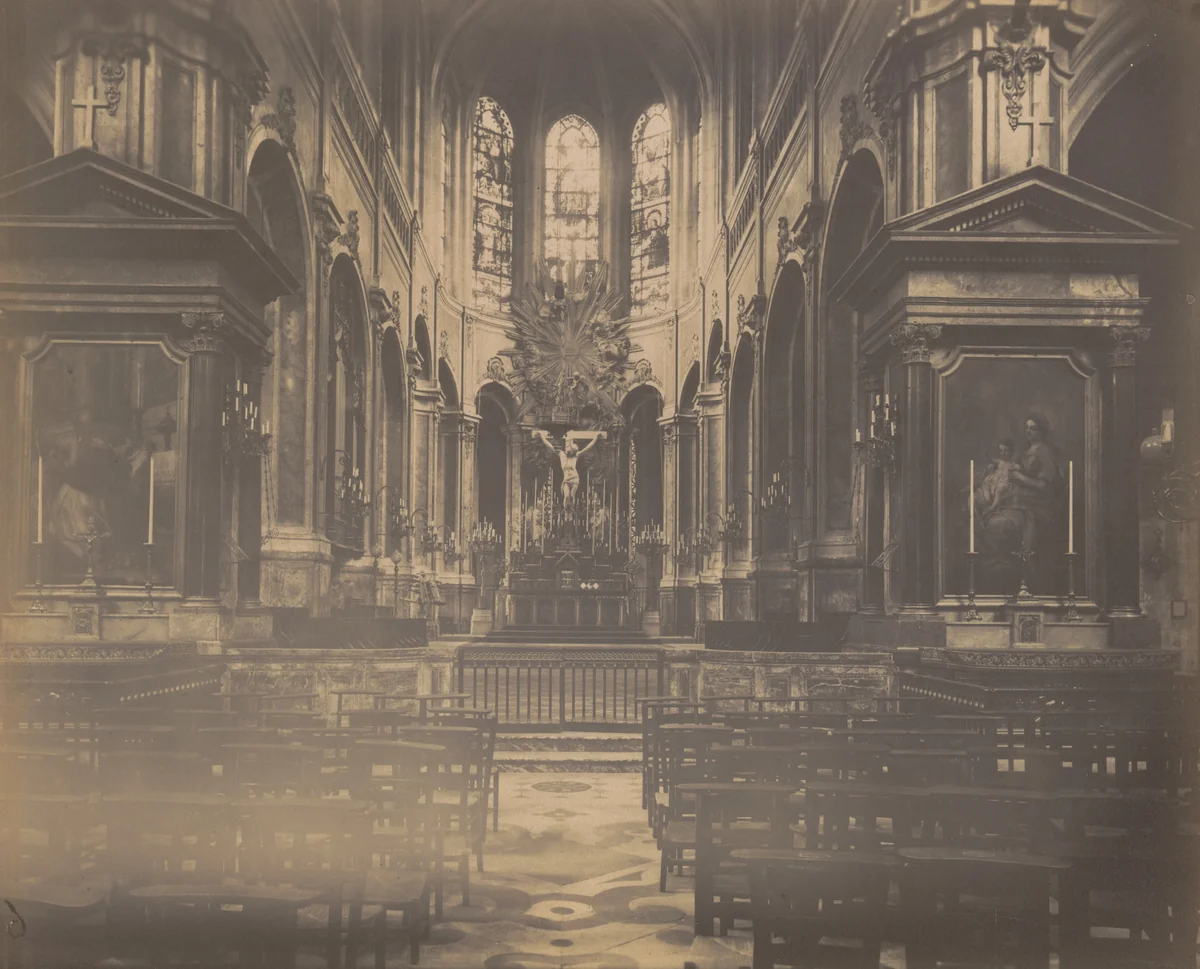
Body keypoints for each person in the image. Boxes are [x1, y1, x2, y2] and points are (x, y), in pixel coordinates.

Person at [533, 429, 602, 504]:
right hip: (566, 479)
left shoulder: (576, 456)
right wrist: (542, 436)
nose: (567, 449)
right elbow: (550, 447)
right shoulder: (561, 455)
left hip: (574, 479)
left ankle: (571, 509)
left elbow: (587, 448)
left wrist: (596, 438)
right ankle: (566, 510)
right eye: (566, 447)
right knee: (566, 497)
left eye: (569, 447)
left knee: (572, 496)